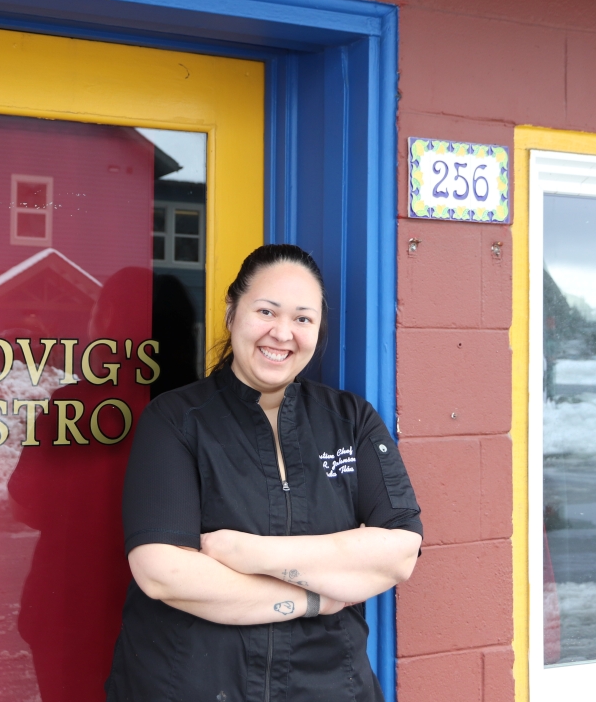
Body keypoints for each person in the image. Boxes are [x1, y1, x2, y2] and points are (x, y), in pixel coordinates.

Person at [106, 244, 423, 702]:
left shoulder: (351, 419)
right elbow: (163, 572)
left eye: (302, 318)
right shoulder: (176, 420)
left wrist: (246, 552)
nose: (282, 333)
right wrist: (315, 598)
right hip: (190, 684)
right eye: (266, 311)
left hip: (331, 684)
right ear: (233, 313)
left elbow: (398, 552)